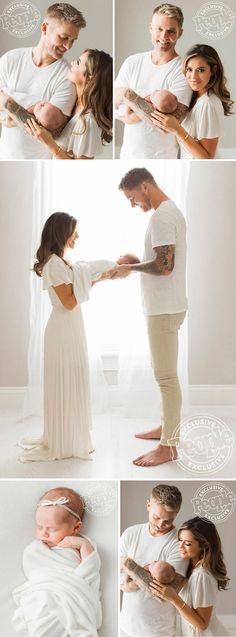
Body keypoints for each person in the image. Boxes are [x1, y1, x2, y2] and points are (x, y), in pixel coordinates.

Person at [19, 212, 115, 463]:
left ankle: (74, 438)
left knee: (73, 380)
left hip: (71, 328)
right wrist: (93, 279)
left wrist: (99, 278)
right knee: (66, 381)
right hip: (62, 331)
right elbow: (70, 302)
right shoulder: (53, 264)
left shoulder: (62, 262)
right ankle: (66, 442)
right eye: (74, 232)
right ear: (63, 233)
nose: (78, 236)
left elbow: (75, 294)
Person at [113, 167, 187, 467]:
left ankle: (169, 446)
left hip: (164, 308)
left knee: (166, 378)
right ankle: (166, 429)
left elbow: (165, 266)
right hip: (166, 305)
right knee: (163, 373)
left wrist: (130, 269)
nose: (134, 205)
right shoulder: (168, 212)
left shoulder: (161, 216)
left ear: (145, 187)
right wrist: (136, 261)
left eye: (132, 198)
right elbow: (161, 260)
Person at [12, 486, 102, 636]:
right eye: (39, 527)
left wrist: (83, 545)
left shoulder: (81, 546)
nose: (43, 534)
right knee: (41, 602)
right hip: (45, 593)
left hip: (72, 597)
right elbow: (35, 575)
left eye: (51, 529)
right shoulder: (35, 549)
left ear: (76, 528)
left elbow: (90, 571)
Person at [0, 3, 86, 159]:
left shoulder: (67, 77)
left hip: (39, 162)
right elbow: (32, 122)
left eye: (73, 40)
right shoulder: (10, 59)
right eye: (64, 37)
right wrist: (14, 115)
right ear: (45, 28)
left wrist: (7, 103)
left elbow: (52, 129)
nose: (68, 46)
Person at [115, 3, 192, 158]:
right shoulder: (133, 62)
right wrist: (130, 113)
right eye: (159, 29)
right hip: (128, 155)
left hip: (163, 158)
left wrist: (129, 96)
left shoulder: (184, 70)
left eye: (171, 31)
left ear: (180, 33)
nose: (164, 36)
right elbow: (114, 105)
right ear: (150, 28)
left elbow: (170, 123)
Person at [120, 484, 187, 637]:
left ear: (175, 515)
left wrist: (132, 574)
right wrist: (125, 583)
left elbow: (168, 590)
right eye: (156, 517)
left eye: (167, 521)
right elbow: (117, 571)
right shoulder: (131, 533)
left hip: (158, 630)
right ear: (148, 505)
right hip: (125, 624)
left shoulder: (178, 543)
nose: (160, 525)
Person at [24, 48, 113, 159]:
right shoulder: (73, 103)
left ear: (90, 77)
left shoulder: (88, 122)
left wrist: (48, 142)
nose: (72, 63)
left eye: (78, 63)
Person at [150, 44, 234, 159]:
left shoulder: (208, 104)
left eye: (201, 70)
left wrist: (177, 129)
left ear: (213, 70)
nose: (193, 76)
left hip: (204, 171)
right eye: (189, 69)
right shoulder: (193, 98)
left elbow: (207, 158)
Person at [149, 516, 230, 636]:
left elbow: (203, 624)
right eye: (180, 540)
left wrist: (174, 598)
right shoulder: (188, 569)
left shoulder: (202, 576)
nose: (180, 546)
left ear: (204, 545)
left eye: (187, 544)